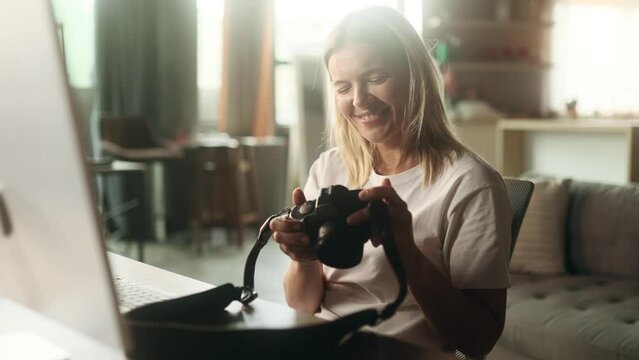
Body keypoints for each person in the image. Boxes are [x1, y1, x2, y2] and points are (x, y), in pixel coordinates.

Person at [269, 6, 512, 357]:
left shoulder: (471, 185)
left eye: (376, 77)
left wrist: (407, 251)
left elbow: (478, 341)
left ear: (416, 76)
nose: (359, 99)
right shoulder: (330, 168)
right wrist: (303, 256)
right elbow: (303, 304)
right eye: (343, 86)